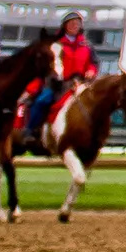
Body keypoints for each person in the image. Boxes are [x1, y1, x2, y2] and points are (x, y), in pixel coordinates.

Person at [19, 10, 98, 149]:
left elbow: (93, 63)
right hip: (58, 83)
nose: (75, 26)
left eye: (77, 23)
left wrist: (91, 71)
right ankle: (30, 130)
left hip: (81, 83)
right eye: (71, 23)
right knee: (42, 100)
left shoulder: (87, 45)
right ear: (65, 26)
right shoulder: (56, 44)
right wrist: (58, 77)